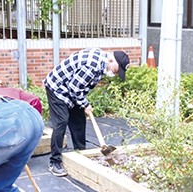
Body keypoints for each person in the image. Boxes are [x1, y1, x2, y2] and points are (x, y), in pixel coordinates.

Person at [44, 48, 130, 177]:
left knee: (79, 121)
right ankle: (54, 162)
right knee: (61, 121)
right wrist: (85, 104)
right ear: (112, 60)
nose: (116, 73)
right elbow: (74, 88)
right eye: (116, 69)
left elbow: (79, 87)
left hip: (72, 90)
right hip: (58, 88)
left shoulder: (103, 65)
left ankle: (81, 155)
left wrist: (83, 104)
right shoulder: (93, 66)